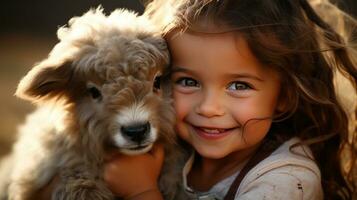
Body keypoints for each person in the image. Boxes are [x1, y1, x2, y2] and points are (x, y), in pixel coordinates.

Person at [39, 0, 357, 199]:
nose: (208, 108)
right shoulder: (175, 147)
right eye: (188, 81)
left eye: (239, 85)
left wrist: (142, 192)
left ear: (284, 96)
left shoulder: (286, 181)